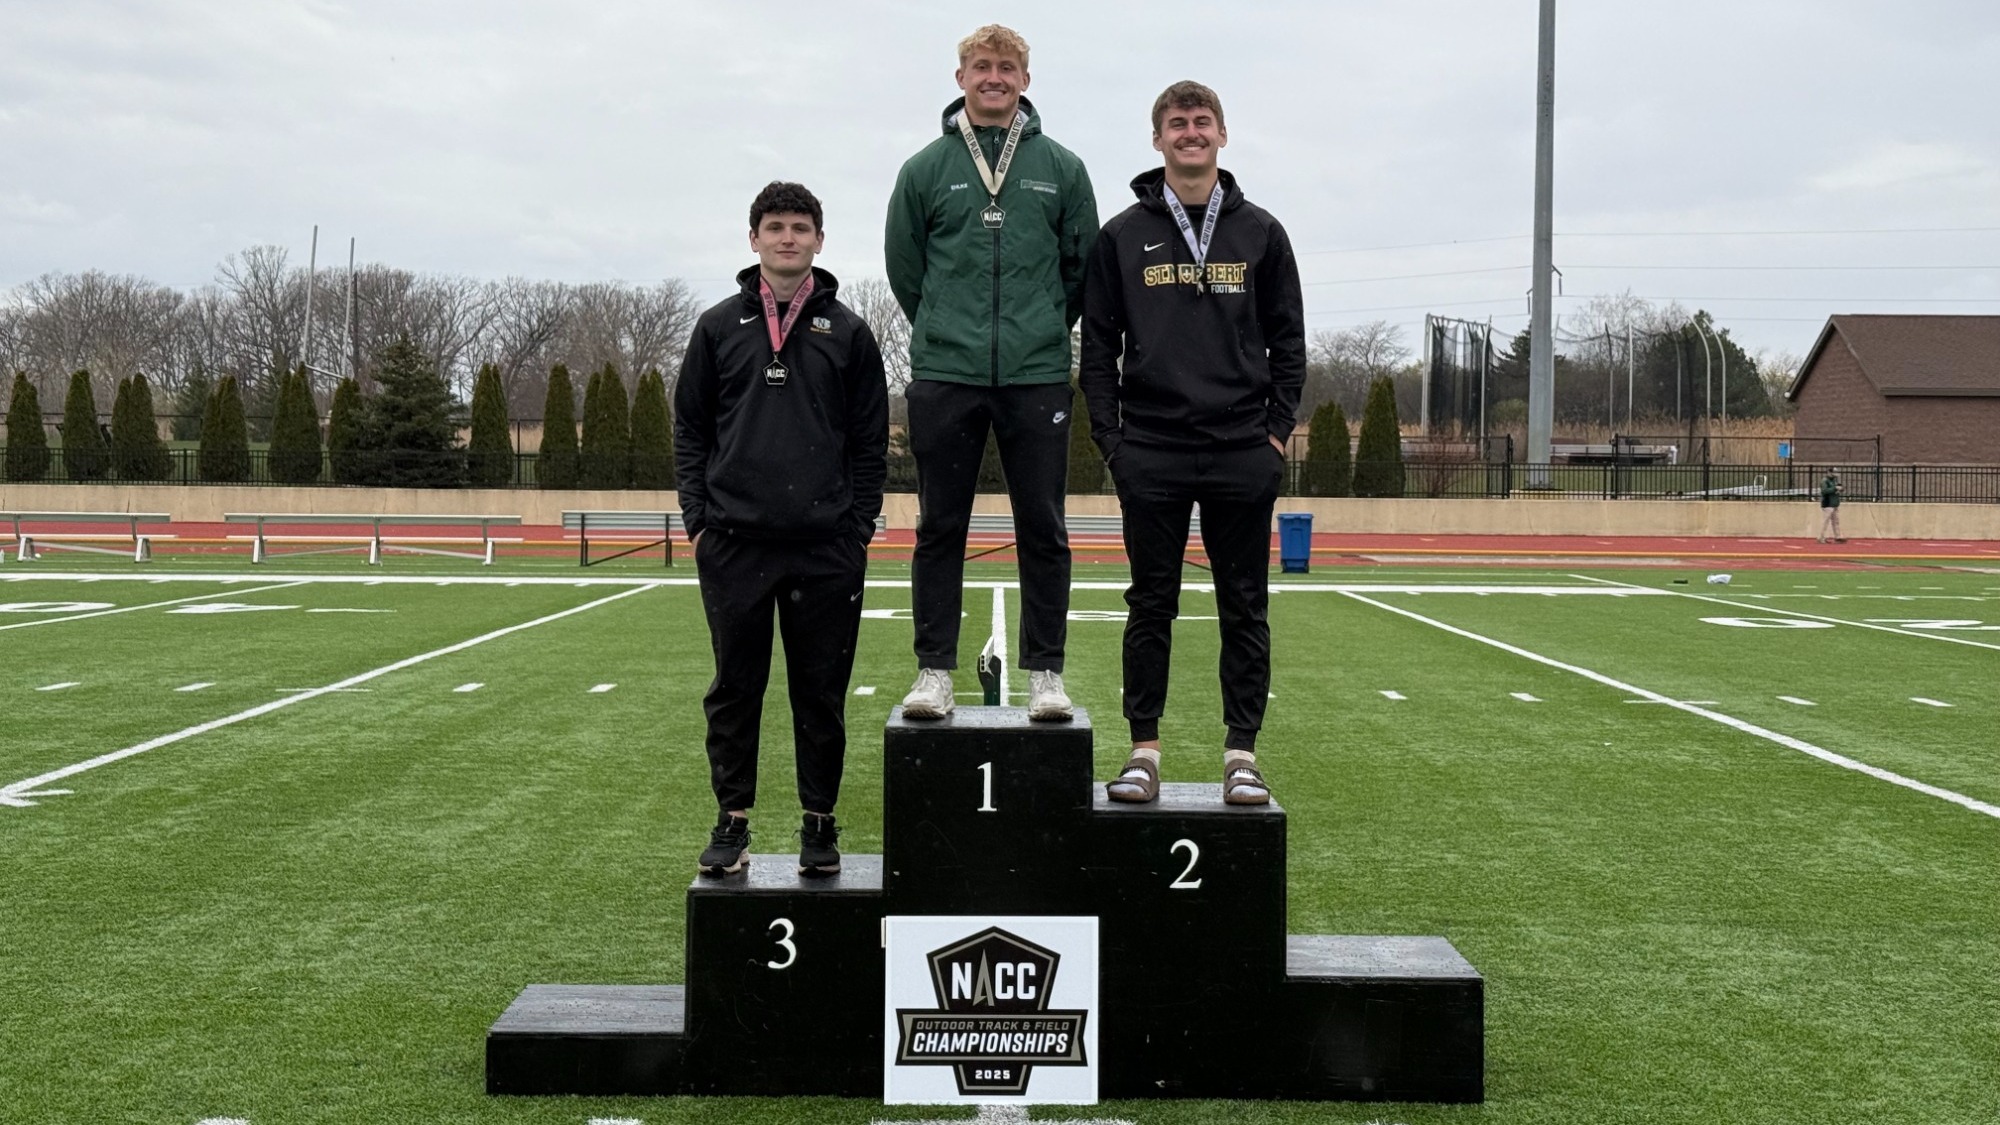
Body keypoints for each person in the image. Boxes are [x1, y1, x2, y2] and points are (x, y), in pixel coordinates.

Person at [1078, 80, 1305, 806]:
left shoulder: (1261, 232)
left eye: (1201, 121)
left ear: (1222, 135)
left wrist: (1274, 434)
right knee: (1151, 602)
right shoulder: (1120, 235)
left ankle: (1242, 752)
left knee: (1246, 604)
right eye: (1177, 123)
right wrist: (1116, 444)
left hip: (1243, 446)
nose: (1190, 133)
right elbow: (1097, 352)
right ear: (1158, 140)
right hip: (1154, 449)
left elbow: (1290, 343)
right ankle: (1144, 749)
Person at [674, 181, 889, 877]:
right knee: (735, 689)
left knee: (820, 692)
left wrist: (856, 529)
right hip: (734, 544)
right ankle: (732, 822)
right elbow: (690, 432)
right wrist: (699, 523)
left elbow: (868, 441)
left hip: (826, 548)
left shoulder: (850, 333)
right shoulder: (717, 327)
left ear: (820, 240)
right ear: (754, 238)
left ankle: (819, 824)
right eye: (775, 226)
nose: (788, 237)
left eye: (801, 227)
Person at [885, 23, 1098, 721]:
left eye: (1007, 68)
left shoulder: (1062, 168)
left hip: (1036, 372)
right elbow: (906, 268)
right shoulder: (925, 169)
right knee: (940, 526)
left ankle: (1046, 673)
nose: (994, 77)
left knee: (1044, 526)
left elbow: (1082, 271)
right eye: (982, 66)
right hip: (947, 370)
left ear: (1025, 82)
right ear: (961, 79)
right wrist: (946, 324)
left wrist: (1041, 326)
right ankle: (933, 673)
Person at [1818, 469, 1844, 542]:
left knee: (1836, 521)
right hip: (1827, 503)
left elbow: (1838, 488)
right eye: (1833, 472)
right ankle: (1821, 537)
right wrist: (1834, 488)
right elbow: (1824, 491)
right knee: (1825, 521)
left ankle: (1838, 537)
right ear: (1829, 472)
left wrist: (1840, 488)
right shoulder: (1824, 481)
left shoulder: (1834, 480)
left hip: (1834, 503)